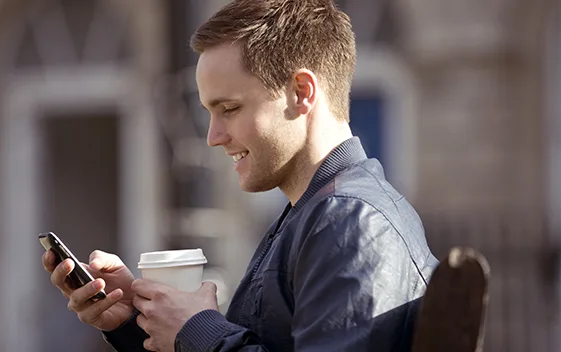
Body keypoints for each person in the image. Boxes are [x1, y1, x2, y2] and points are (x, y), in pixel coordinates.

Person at [42, 0, 439, 351]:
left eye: (229, 108)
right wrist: (136, 322)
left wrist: (195, 329)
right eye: (209, 112)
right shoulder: (313, 213)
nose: (214, 137)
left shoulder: (350, 222)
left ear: (301, 92)